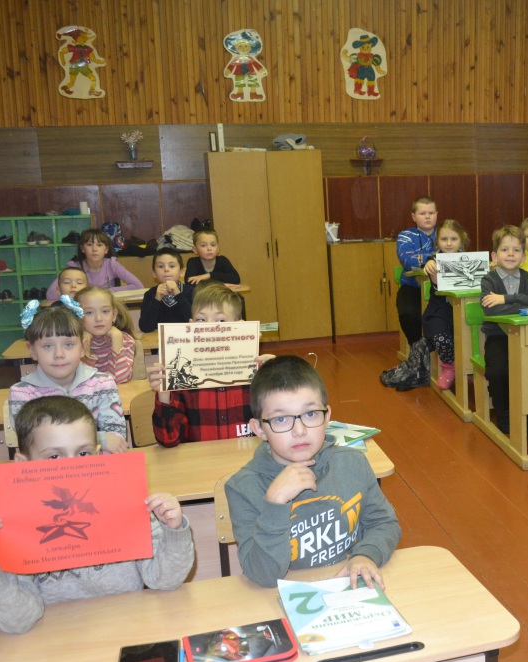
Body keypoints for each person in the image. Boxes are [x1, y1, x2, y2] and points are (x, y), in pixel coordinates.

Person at [0, 396, 193, 633]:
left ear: (98, 454)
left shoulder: (124, 503)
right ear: (24, 464)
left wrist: (173, 530)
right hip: (58, 639)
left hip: (130, 628)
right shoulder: (14, 527)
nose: (72, 468)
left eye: (83, 454)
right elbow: (19, 620)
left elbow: (166, 580)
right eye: (54, 457)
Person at [225, 355, 401, 589]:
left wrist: (366, 555)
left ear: (327, 417)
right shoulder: (243, 487)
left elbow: (384, 523)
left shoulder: (353, 463)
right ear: (259, 428)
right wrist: (275, 504)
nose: (299, 430)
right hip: (285, 595)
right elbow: (263, 575)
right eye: (281, 419)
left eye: (310, 414)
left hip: (349, 589)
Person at [148, 282, 271, 447]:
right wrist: (164, 393)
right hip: (200, 460)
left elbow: (278, 428)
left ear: (240, 326)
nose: (210, 327)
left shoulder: (258, 372)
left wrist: (277, 379)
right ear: (190, 326)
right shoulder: (181, 376)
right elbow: (168, 439)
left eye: (221, 320)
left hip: (249, 457)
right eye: (201, 320)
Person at [10, 300, 129, 453]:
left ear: (83, 347)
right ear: (32, 351)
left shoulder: (102, 383)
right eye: (48, 346)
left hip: (97, 466)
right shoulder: (22, 393)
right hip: (50, 468)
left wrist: (106, 441)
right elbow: (35, 443)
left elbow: (117, 438)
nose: (59, 354)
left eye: (68, 344)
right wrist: (101, 439)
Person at [482, 225, 528, 434]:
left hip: (526, 337)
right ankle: (505, 412)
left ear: (524, 257)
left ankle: (526, 411)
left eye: (516, 250)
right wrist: (522, 305)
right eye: (504, 249)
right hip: (498, 336)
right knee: (499, 371)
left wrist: (506, 298)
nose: (510, 254)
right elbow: (491, 311)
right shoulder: (489, 279)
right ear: (494, 256)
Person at [420, 219, 470, 390]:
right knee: (441, 335)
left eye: (454, 239)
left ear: (462, 240)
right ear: (437, 241)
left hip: (464, 307)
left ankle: (468, 367)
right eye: (444, 239)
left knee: (475, 332)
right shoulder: (433, 260)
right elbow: (433, 274)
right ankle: (449, 367)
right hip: (440, 309)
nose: (449, 243)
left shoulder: (471, 260)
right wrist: (430, 265)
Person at [45, 229, 143, 301]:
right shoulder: (74, 267)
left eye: (99, 245)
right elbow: (50, 294)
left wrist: (105, 292)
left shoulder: (112, 264)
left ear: (106, 249)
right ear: (82, 248)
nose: (94, 249)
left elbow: (138, 286)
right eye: (89, 245)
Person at [395, 196, 438, 346]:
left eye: (431, 213)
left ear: (437, 214)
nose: (427, 217)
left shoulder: (446, 234)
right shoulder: (406, 236)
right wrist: (433, 259)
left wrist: (424, 258)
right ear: (414, 217)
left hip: (441, 289)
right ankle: (417, 349)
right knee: (408, 313)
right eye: (422, 213)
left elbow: (457, 256)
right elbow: (407, 261)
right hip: (412, 287)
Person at [77, 286, 137, 384]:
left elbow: (121, 379)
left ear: (114, 315)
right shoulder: (72, 343)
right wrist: (85, 348)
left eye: (105, 311)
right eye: (89, 312)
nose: (98, 318)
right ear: (77, 317)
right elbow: (79, 381)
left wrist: (116, 338)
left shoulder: (125, 340)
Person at [138, 249, 194, 333]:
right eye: (161, 266)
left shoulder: (190, 292)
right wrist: (157, 300)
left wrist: (178, 294)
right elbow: (145, 327)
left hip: (185, 338)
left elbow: (196, 321)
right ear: (154, 273)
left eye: (172, 266)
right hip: (158, 339)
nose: (166, 269)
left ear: (182, 272)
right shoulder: (150, 294)